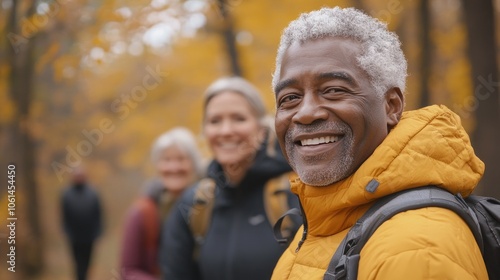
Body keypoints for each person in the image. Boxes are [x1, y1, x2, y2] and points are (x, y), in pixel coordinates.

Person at [270, 7, 488, 280]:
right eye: (290, 98)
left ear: (391, 106)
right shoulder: (319, 226)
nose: (305, 112)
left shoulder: (416, 247)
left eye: (334, 90)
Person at [160, 77, 300, 280]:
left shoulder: (296, 194)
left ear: (262, 130)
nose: (226, 131)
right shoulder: (193, 204)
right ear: (205, 132)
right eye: (215, 121)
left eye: (239, 119)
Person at [120, 127, 204, 280]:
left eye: (181, 159)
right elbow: (128, 270)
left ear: (194, 164)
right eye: (167, 160)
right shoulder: (142, 212)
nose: (174, 167)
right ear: (157, 166)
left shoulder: (209, 204)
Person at [61, 166, 103, 280]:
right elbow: (64, 215)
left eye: (81, 176)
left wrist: (98, 231)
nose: (79, 178)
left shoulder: (92, 193)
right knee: (77, 263)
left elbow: (98, 213)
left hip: (89, 236)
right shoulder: (67, 194)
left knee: (87, 262)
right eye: (77, 176)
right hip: (74, 236)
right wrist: (67, 231)